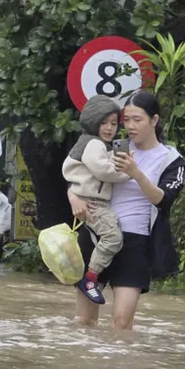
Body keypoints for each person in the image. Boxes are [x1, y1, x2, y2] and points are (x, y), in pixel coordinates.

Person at [67, 91, 185, 330]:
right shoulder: (107, 146)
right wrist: (72, 197)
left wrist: (136, 173)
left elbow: (163, 200)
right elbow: (80, 177)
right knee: (84, 321)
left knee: (121, 322)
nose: (130, 126)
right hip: (96, 233)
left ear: (154, 120)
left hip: (135, 241)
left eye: (137, 120)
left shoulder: (170, 159)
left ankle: (119, 368)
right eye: (127, 119)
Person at [61, 95, 130, 304]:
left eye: (114, 123)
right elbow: (103, 171)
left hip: (91, 200)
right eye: (104, 122)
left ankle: (90, 277)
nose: (110, 128)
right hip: (92, 202)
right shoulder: (93, 144)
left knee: (109, 236)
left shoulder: (96, 143)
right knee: (113, 238)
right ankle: (90, 278)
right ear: (93, 121)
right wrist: (129, 172)